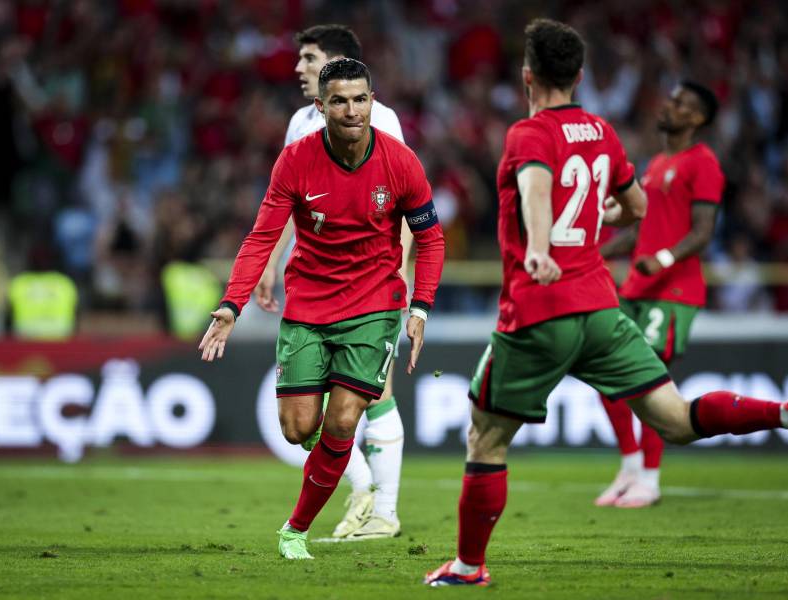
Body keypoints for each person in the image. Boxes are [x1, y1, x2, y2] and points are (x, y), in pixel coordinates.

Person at [423, 18, 788, 587]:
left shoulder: (528, 133)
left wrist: (539, 247)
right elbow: (636, 207)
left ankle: (469, 566)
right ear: (580, 76)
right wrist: (597, 215)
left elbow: (536, 186)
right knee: (676, 420)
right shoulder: (601, 131)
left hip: (540, 312)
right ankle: (780, 413)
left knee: (486, 436)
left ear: (527, 76)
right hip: (601, 310)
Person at [199, 58, 445, 560]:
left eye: (360, 99)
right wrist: (231, 305)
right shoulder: (296, 160)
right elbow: (262, 237)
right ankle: (347, 474)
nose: (352, 110)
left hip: (375, 306)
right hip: (309, 304)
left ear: (372, 101)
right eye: (340, 101)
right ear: (321, 106)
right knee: (297, 428)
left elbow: (431, 239)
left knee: (344, 420)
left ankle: (296, 530)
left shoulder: (401, 162)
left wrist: (419, 307)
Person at [253, 24, 412, 541]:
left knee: (376, 394)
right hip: (315, 284)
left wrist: (398, 274)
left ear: (337, 62)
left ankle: (383, 509)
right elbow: (288, 203)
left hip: (370, 282)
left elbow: (403, 200)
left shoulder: (377, 118)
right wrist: (270, 263)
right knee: (309, 413)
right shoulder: (300, 122)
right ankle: (363, 488)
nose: (298, 67)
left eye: (309, 57)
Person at [595, 82, 725, 508]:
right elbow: (641, 232)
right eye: (670, 99)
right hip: (637, 286)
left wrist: (665, 258)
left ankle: (649, 479)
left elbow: (703, 231)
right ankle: (630, 465)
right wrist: (596, 250)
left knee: (648, 383)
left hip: (673, 292)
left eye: (680, 103)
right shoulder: (656, 164)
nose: (668, 106)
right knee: (604, 372)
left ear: (698, 118)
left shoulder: (703, 163)